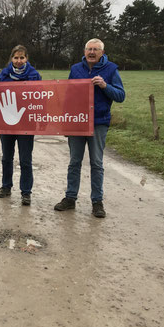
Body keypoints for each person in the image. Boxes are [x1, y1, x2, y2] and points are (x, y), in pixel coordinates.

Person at [54, 38, 125, 218]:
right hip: (77, 122)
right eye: (89, 49)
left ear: (102, 52)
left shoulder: (111, 69)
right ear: (84, 51)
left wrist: (105, 86)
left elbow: (121, 95)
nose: (92, 52)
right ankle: (70, 198)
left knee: (96, 163)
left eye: (95, 49)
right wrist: (66, 123)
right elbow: (68, 96)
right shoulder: (76, 69)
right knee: (74, 162)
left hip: (98, 123)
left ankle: (97, 202)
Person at [0, 45, 42, 205]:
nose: (19, 61)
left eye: (22, 58)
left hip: (26, 124)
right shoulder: (3, 75)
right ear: (11, 58)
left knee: (25, 159)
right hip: (7, 122)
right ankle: (6, 186)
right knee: (7, 157)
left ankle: (26, 192)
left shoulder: (34, 75)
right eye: (16, 58)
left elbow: (40, 98)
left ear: (27, 59)